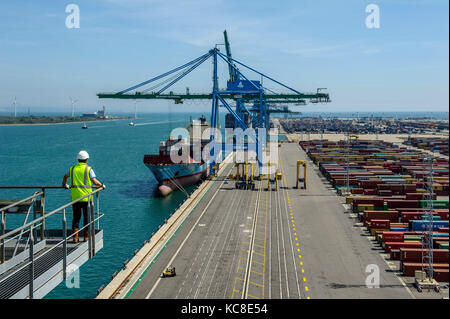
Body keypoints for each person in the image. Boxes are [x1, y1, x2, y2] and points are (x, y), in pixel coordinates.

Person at [62, 150, 105, 243]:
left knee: (76, 217)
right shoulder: (89, 169)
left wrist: (64, 185)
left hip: (75, 198)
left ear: (78, 159)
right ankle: (86, 237)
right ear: (86, 160)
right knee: (86, 217)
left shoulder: (72, 169)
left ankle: (75, 237)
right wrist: (102, 185)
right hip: (86, 197)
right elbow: (94, 181)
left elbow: (65, 176)